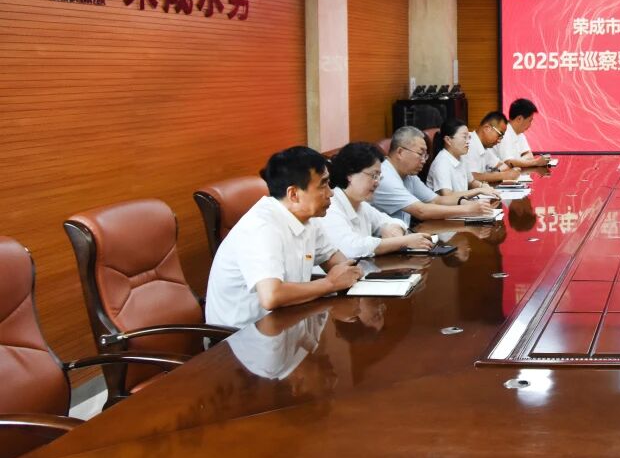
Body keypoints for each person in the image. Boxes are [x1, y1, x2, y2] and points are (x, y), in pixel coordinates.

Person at [206, 146, 362, 329]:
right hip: (240, 337)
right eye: (323, 184)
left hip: (287, 323)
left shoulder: (308, 218)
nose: (331, 193)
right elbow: (271, 296)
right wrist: (329, 283)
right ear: (293, 194)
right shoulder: (261, 227)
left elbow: (339, 264)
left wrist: (349, 273)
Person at [320, 142, 435, 257]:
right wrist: (402, 241)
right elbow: (352, 248)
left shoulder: (361, 205)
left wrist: (394, 229)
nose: (377, 182)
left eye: (379, 176)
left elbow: (392, 222)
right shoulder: (330, 207)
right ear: (350, 174)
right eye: (373, 176)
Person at [371, 126, 493, 226]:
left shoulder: (408, 175)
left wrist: (463, 202)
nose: (424, 160)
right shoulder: (385, 177)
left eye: (426, 155)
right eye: (420, 154)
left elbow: (436, 200)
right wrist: (468, 210)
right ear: (400, 152)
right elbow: (421, 211)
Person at [427, 118, 499, 195]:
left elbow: (471, 182)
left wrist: (482, 186)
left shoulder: (461, 157)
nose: (468, 142)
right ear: (448, 140)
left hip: (462, 202)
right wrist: (479, 190)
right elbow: (447, 195)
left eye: (469, 137)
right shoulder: (441, 163)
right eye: (464, 137)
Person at [465, 111, 521, 183]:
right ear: (487, 128)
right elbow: (471, 177)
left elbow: (502, 165)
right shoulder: (468, 143)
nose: (499, 141)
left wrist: (497, 172)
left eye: (502, 137)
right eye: (499, 135)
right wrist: (504, 175)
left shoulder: (485, 146)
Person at [497, 98, 550, 168]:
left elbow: (529, 155)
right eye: (530, 120)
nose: (530, 124)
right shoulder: (503, 134)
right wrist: (536, 162)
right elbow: (509, 163)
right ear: (519, 119)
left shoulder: (519, 133)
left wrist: (518, 162)